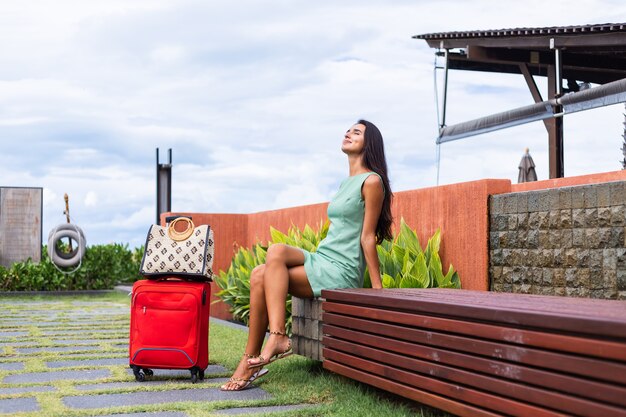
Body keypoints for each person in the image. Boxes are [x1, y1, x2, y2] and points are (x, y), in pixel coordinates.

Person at [221, 119, 393, 391]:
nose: (348, 133)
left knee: (274, 253)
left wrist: (377, 289)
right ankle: (250, 358)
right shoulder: (345, 183)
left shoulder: (372, 182)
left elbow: (367, 236)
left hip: (341, 269)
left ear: (368, 143)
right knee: (258, 274)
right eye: (348, 130)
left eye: (356, 132)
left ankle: (276, 337)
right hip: (323, 258)